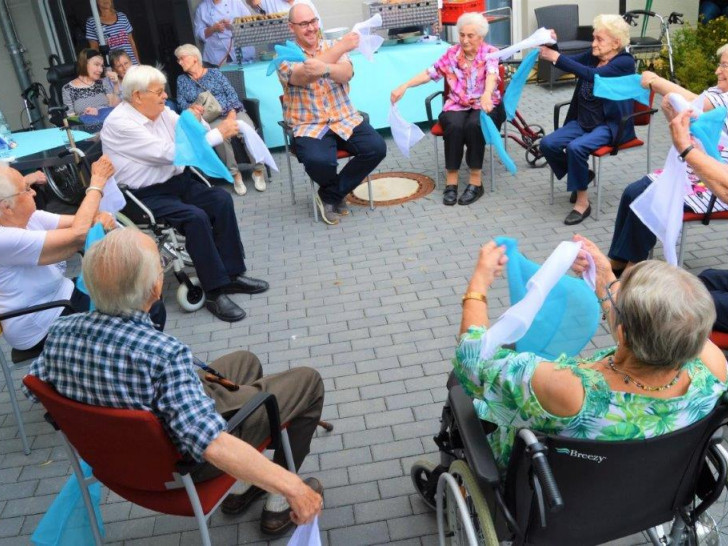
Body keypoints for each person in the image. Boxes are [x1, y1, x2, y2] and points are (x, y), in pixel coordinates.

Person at [23, 228, 324, 536]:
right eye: (160, 264)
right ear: (155, 287)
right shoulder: (163, 356)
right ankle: (278, 501)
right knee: (308, 382)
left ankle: (244, 487)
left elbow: (35, 389)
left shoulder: (61, 332)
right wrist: (294, 488)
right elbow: (210, 444)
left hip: (115, 461)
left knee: (246, 362)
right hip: (180, 467)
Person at [452, 237, 727, 470]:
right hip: (651, 485)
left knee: (462, 392)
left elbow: (472, 362)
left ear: (622, 333)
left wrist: (479, 283)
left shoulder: (568, 390)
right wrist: (605, 276)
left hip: (552, 490)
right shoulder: (713, 367)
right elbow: (657, 325)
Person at [100, 65, 269, 322]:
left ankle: (232, 274)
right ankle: (214, 290)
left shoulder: (160, 111)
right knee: (196, 217)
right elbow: (170, 153)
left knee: (221, 200)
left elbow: (188, 129)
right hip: (143, 195)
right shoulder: (120, 124)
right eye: (158, 92)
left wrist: (196, 118)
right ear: (137, 96)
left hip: (177, 182)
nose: (165, 96)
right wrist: (217, 134)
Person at [607, 45, 728, 274]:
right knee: (633, 191)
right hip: (699, 171)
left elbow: (695, 102)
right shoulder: (719, 93)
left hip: (717, 183)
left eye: (724, 65)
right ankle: (620, 260)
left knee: (650, 196)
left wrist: (655, 82)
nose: (717, 71)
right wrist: (671, 112)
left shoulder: (723, 100)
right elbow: (693, 119)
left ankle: (633, 270)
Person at [0, 156, 129, 353]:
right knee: (136, 313)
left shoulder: (31, 217)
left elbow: (82, 221)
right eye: (26, 190)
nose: (33, 192)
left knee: (135, 291)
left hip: (62, 298)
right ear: (6, 206)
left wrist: (98, 218)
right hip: (40, 321)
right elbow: (78, 234)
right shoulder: (4, 238)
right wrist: (96, 184)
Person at [278, 4, 387, 225]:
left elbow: (346, 73)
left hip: (344, 117)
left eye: (313, 21)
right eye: (304, 24)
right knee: (319, 161)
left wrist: (325, 68)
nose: (311, 28)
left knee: (376, 148)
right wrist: (341, 48)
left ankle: (329, 195)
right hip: (309, 124)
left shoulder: (331, 45)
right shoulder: (284, 55)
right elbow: (304, 75)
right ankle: (337, 193)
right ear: (291, 27)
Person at [391, 12, 505, 207]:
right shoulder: (452, 54)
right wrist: (405, 85)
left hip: (485, 104)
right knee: (453, 125)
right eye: (461, 34)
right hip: (457, 104)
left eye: (470, 35)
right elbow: (429, 73)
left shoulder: (490, 53)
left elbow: (492, 75)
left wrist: (487, 93)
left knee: (474, 125)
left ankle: (476, 182)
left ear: (481, 37)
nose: (464, 39)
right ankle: (451, 181)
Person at [538, 14, 635, 225]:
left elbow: (593, 76)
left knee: (575, 148)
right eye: (594, 38)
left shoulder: (624, 62)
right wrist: (552, 44)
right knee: (547, 144)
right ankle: (582, 174)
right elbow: (569, 63)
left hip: (609, 125)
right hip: (583, 121)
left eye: (599, 39)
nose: (593, 44)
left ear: (616, 43)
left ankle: (582, 203)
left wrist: (555, 57)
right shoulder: (594, 55)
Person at [175, 43, 266, 195]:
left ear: (194, 58)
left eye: (182, 58)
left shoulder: (215, 74)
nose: (179, 62)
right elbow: (181, 103)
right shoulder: (182, 80)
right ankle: (235, 174)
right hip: (209, 118)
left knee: (247, 129)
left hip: (232, 111)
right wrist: (192, 108)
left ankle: (258, 170)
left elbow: (231, 94)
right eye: (178, 60)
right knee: (221, 136)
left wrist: (231, 114)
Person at [194, 0, 255, 67]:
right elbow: (198, 33)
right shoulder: (201, 8)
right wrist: (213, 29)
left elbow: (250, 21)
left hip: (241, 49)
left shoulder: (235, 2)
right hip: (217, 54)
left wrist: (233, 25)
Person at [61, 48, 120, 117]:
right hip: (86, 126)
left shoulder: (103, 82)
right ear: (84, 63)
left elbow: (115, 107)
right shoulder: (68, 89)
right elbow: (71, 118)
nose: (101, 70)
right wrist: (86, 115)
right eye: (96, 65)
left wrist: (116, 84)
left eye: (101, 66)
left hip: (109, 123)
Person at [86, 0, 140, 65]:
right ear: (96, 1)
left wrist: (138, 63)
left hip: (131, 63)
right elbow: (94, 49)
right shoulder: (92, 22)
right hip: (113, 66)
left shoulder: (122, 16)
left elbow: (132, 43)